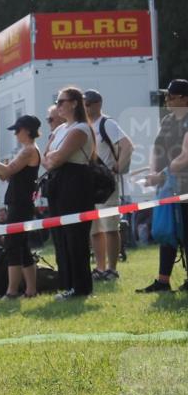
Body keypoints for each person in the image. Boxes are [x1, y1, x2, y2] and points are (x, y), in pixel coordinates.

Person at [0, 114, 42, 298]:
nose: (15, 134)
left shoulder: (28, 150)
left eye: (17, 130)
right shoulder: (28, 149)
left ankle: (12, 291)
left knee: (14, 246)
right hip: (20, 202)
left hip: (20, 203)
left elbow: (5, 172)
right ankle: (30, 290)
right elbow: (3, 174)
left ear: (27, 130)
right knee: (21, 247)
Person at [42, 86, 96, 300]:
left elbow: (59, 158)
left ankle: (81, 286)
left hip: (76, 183)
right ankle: (68, 284)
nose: (58, 106)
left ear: (74, 103)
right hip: (58, 183)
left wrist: (54, 157)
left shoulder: (81, 129)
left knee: (75, 237)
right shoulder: (59, 130)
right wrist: (53, 157)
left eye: (61, 101)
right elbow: (46, 158)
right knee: (60, 236)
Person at [137, 78, 188, 293]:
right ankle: (162, 281)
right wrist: (152, 172)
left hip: (185, 187)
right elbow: (156, 149)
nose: (166, 100)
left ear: (185, 99)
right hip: (169, 187)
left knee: (186, 233)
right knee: (166, 231)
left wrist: (163, 174)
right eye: (166, 96)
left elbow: (186, 156)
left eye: (171, 96)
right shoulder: (167, 120)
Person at [82, 90, 134, 282]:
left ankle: (112, 269)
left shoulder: (107, 123)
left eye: (87, 104)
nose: (85, 108)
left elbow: (127, 145)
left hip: (106, 183)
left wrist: (119, 166)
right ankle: (100, 267)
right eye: (83, 104)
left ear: (98, 104)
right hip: (89, 184)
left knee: (110, 227)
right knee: (95, 229)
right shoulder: (84, 126)